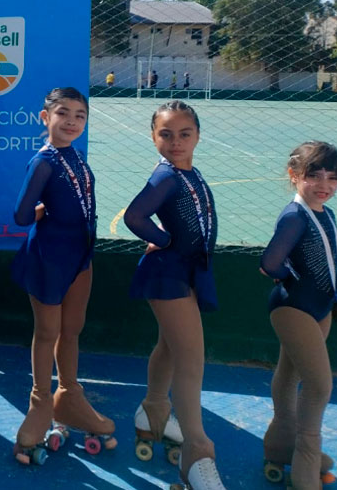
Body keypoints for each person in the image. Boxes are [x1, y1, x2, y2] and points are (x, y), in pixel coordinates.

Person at [11, 88, 114, 466]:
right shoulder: (43, 162)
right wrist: (41, 213)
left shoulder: (76, 155)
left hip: (80, 258)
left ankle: (68, 395)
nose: (72, 121)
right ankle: (40, 404)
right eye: (63, 113)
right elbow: (21, 215)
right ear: (45, 117)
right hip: (49, 259)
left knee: (72, 329)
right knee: (48, 332)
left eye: (79, 115)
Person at [125, 101, 225, 489]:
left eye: (185, 134)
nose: (176, 142)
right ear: (153, 137)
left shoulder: (188, 173)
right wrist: (164, 240)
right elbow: (135, 216)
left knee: (170, 347)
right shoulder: (166, 175)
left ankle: (152, 411)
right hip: (168, 274)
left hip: (185, 271)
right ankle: (195, 451)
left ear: (198, 136)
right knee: (190, 358)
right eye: (166, 134)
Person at [259, 142, 337, 488]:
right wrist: (289, 278)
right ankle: (305, 464)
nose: (324, 184)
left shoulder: (326, 213)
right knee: (319, 386)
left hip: (320, 308)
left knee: (289, 372)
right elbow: (269, 263)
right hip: (294, 308)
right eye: (315, 176)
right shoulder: (295, 216)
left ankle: (280, 444)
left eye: (333, 178)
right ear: (294, 175)